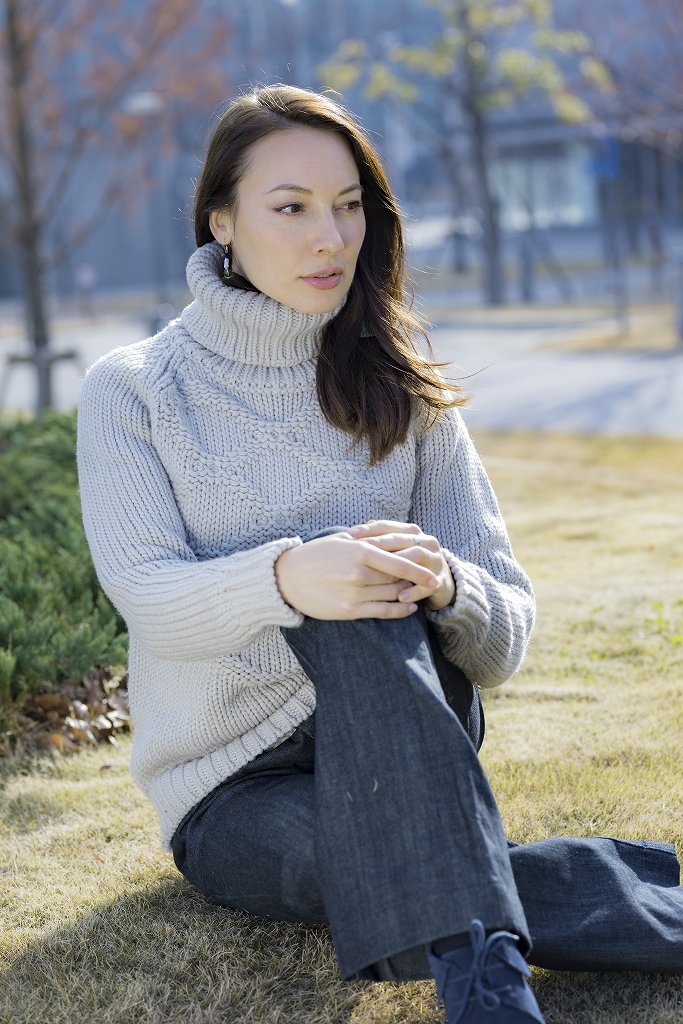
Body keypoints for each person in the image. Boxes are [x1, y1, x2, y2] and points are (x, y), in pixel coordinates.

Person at [77, 85, 683, 1024]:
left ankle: (486, 991)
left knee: (368, 579)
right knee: (387, 854)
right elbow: (146, 594)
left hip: (412, 721)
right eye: (291, 208)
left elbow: (506, 635)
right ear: (221, 222)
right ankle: (588, 906)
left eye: (348, 205)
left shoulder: (402, 386)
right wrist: (288, 577)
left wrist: (445, 585)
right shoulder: (136, 389)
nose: (330, 237)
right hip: (233, 789)